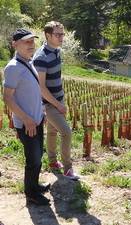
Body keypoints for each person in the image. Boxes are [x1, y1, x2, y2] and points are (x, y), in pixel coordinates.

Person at [3, 28, 50, 205]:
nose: (31, 45)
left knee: (37, 157)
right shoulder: (13, 67)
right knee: (33, 159)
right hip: (26, 123)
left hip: (36, 120)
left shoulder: (28, 63)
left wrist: (41, 111)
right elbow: (7, 98)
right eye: (26, 41)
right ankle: (31, 193)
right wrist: (26, 119)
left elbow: (33, 91)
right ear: (15, 44)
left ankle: (34, 186)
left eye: (32, 41)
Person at [33, 21, 79, 180]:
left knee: (52, 132)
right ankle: (68, 169)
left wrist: (61, 99)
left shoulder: (56, 51)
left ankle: (52, 162)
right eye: (58, 34)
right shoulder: (41, 57)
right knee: (66, 132)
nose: (62, 37)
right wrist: (58, 105)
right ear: (48, 35)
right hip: (48, 103)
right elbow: (41, 88)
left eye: (62, 34)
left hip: (58, 99)